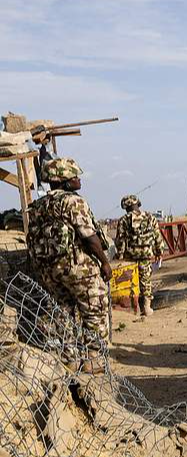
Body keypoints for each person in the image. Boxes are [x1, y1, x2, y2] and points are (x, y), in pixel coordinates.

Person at [26, 158, 112, 371]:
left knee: (63, 312)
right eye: (74, 176)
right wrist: (104, 262)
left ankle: (69, 359)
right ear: (63, 181)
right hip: (78, 267)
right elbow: (89, 236)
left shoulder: (38, 206)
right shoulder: (73, 202)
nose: (78, 179)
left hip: (50, 270)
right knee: (95, 307)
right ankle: (94, 359)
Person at [115, 194, 161, 316]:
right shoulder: (150, 217)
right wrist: (158, 252)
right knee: (145, 281)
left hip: (130, 257)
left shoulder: (123, 220)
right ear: (138, 204)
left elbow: (120, 240)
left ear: (125, 207)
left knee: (130, 282)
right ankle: (146, 308)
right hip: (145, 256)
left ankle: (133, 309)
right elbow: (157, 236)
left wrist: (119, 256)